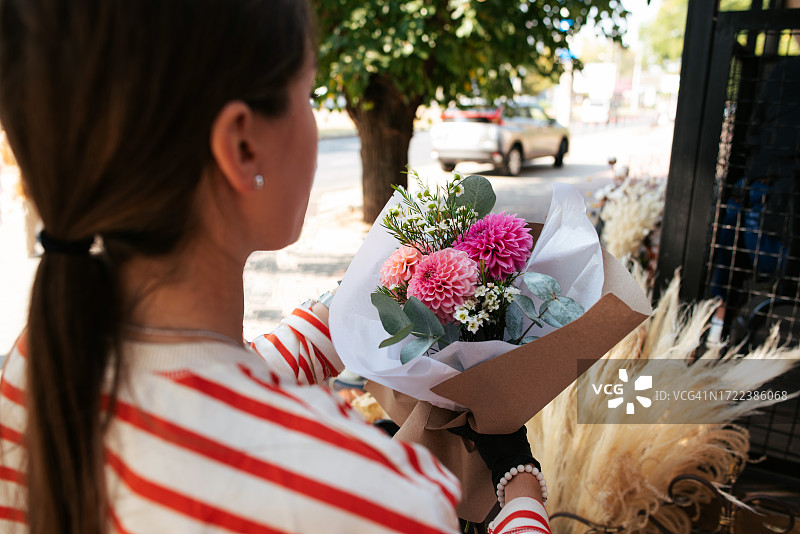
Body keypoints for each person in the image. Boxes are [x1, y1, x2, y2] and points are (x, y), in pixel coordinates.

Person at [0, 1, 549, 533]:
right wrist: (519, 487)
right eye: (307, 94)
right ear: (242, 146)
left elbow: (225, 374)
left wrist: (366, 304)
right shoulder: (361, 498)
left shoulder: (42, 361)